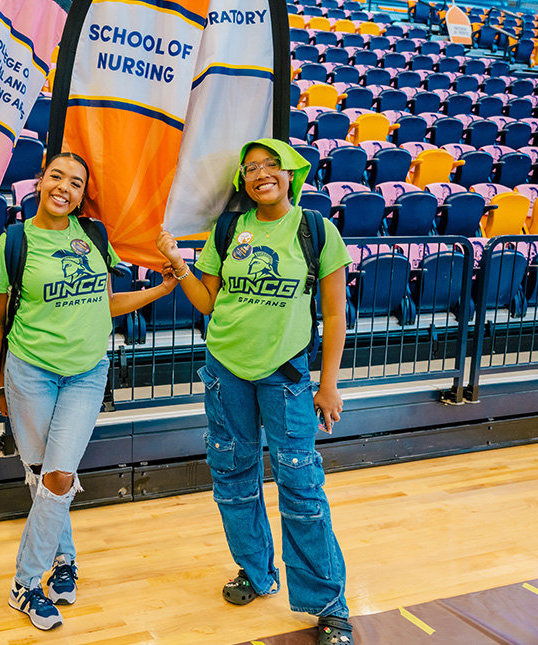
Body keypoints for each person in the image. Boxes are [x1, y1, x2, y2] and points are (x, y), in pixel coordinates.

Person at [156, 139, 355, 645]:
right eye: (250, 169)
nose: (260, 174)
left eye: (270, 166)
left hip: (286, 376)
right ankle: (255, 571)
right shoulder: (230, 230)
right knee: (233, 475)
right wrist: (178, 264)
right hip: (225, 371)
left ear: (291, 174)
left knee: (302, 487)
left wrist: (328, 382)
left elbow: (335, 314)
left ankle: (329, 604)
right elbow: (207, 301)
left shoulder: (315, 230)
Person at [0, 152, 178, 631]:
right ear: (40, 181)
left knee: (58, 476)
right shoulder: (15, 241)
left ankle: (25, 583)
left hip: (87, 372)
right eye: (56, 177)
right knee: (44, 473)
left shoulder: (93, 236)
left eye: (75, 182)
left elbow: (105, 302)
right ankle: (63, 558)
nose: (64, 188)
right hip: (30, 372)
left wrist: (157, 291)